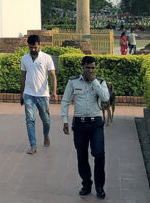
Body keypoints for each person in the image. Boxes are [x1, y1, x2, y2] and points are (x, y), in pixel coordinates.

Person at [61, 56, 111, 199]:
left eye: (93, 68)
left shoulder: (100, 82)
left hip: (96, 124)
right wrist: (65, 121)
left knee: (99, 154)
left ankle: (100, 186)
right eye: (88, 68)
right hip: (80, 124)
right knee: (82, 156)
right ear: (82, 68)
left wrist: (94, 81)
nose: (90, 70)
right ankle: (86, 184)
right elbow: (65, 101)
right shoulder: (73, 82)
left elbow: (105, 98)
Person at [20, 34, 59, 154]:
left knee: (46, 120)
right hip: (28, 94)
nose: (33, 50)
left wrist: (54, 92)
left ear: (39, 45)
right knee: (30, 120)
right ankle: (33, 145)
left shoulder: (46, 58)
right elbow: (22, 77)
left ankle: (46, 134)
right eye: (31, 47)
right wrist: (21, 94)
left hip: (43, 95)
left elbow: (52, 75)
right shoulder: (24, 59)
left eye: (35, 47)